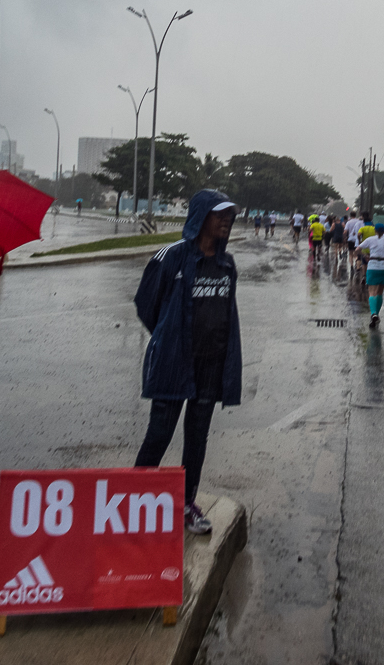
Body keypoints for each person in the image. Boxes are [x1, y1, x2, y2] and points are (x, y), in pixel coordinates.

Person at [134, 190, 243, 535]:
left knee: (197, 437)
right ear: (201, 217)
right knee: (159, 434)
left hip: (210, 366)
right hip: (173, 362)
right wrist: (168, 336)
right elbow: (146, 304)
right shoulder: (171, 257)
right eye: (220, 214)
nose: (226, 221)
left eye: (230, 216)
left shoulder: (227, 264)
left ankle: (186, 504)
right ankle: (133, 501)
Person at [356, 221, 384, 328]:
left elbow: (357, 250)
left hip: (373, 266)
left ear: (375, 231)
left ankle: (373, 313)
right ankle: (377, 315)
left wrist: (365, 255)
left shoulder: (370, 239)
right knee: (380, 292)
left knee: (372, 292)